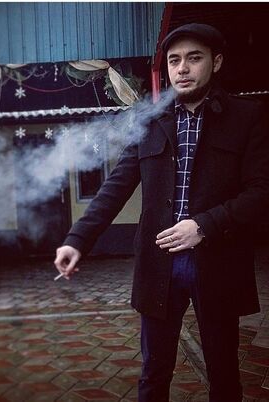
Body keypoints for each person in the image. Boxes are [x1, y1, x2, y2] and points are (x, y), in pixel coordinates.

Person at [54, 23, 269, 402]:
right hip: (159, 263)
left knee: (223, 372)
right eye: (174, 60)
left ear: (217, 62)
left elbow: (261, 192)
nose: (182, 68)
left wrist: (203, 225)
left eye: (193, 58)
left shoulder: (246, 116)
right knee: (154, 371)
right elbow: (116, 186)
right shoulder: (151, 120)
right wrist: (77, 240)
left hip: (217, 260)